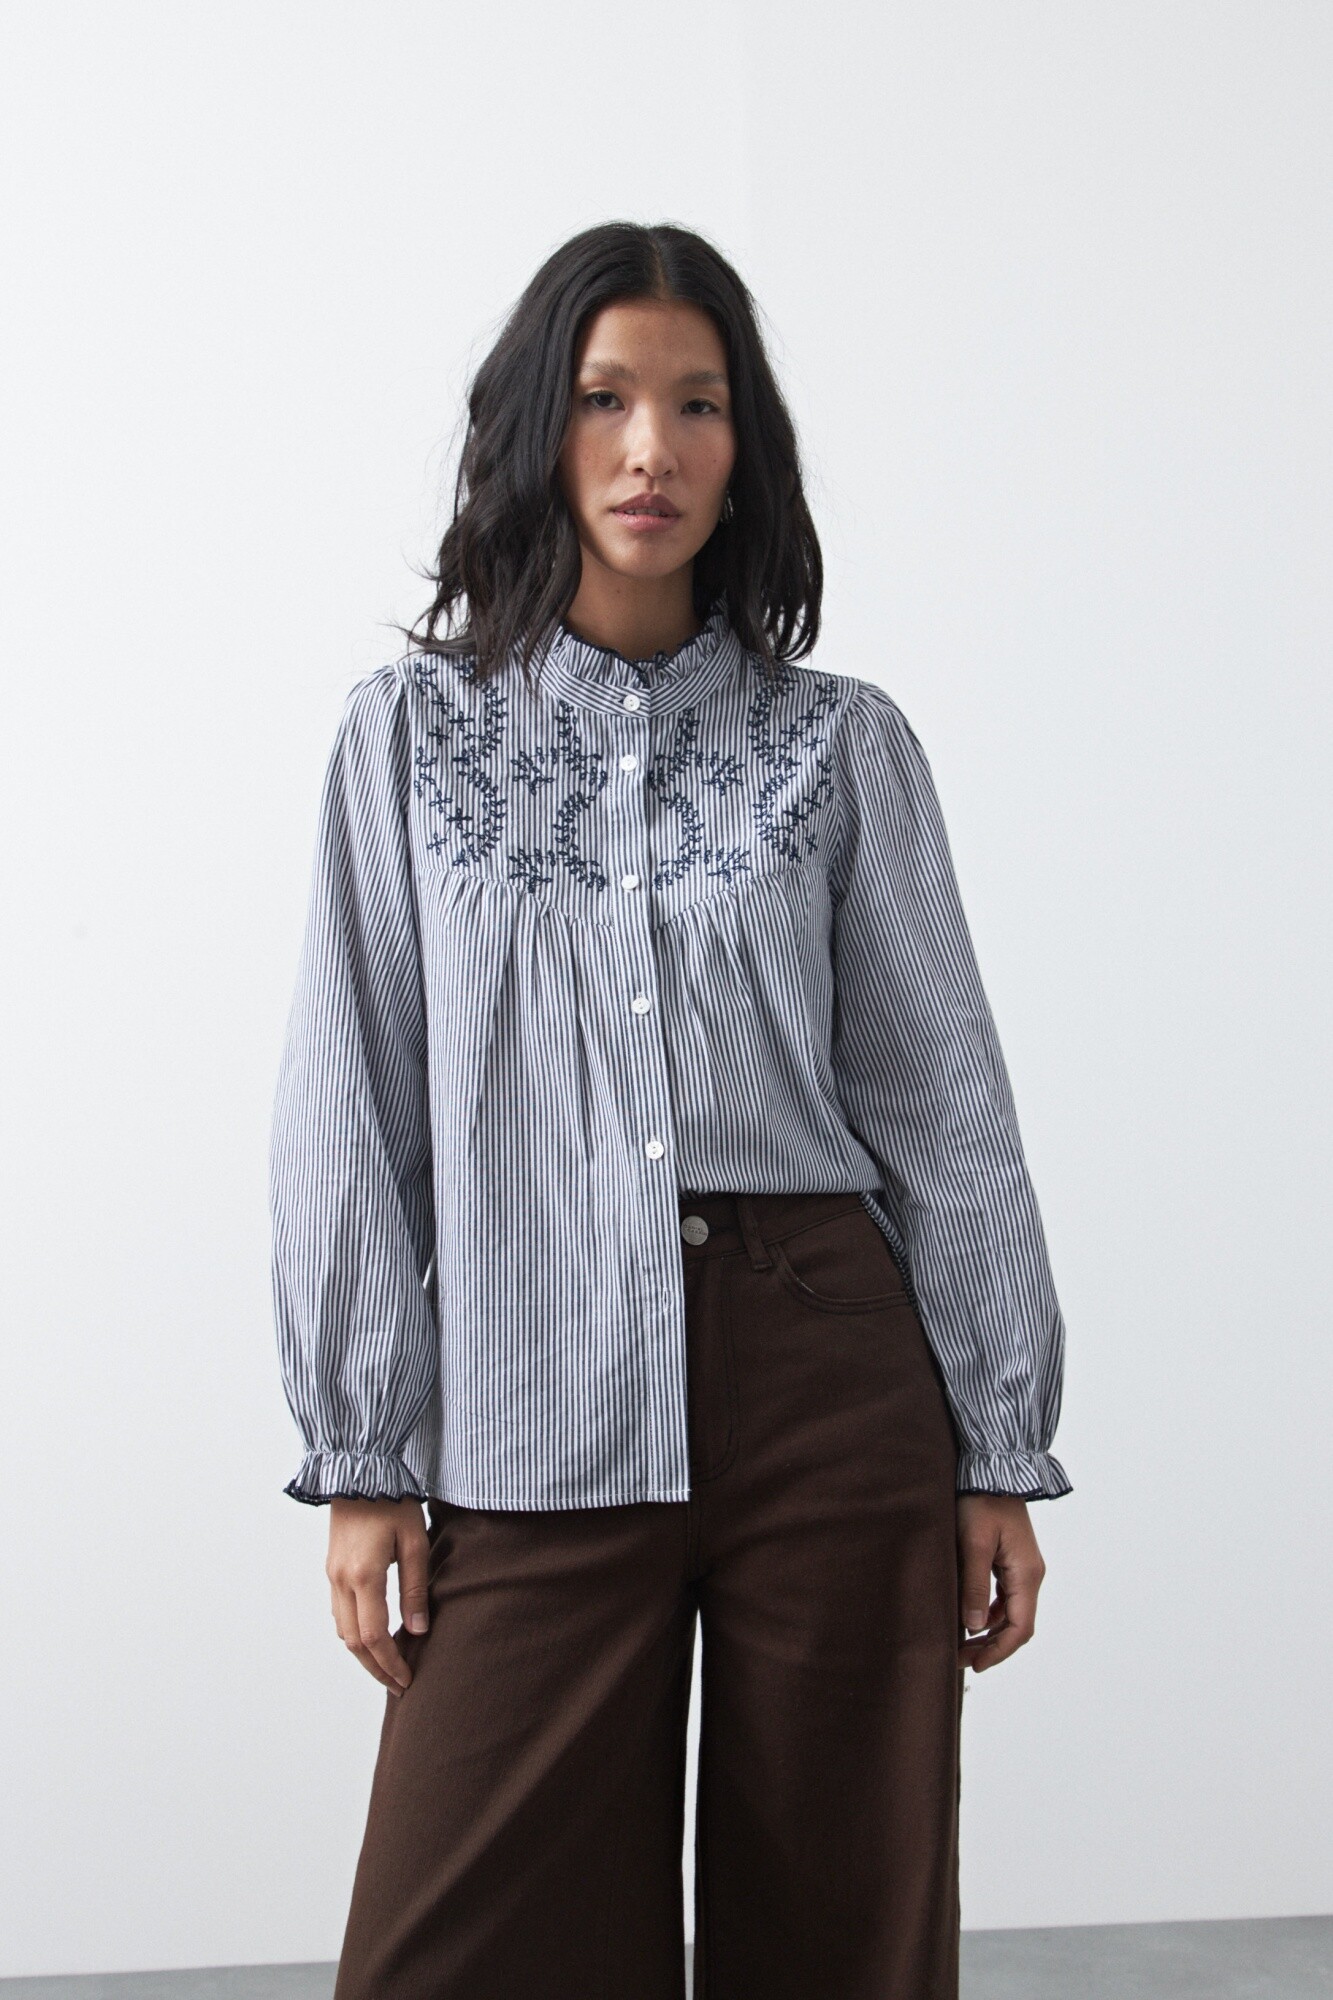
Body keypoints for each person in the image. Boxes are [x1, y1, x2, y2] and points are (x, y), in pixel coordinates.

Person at [269, 219, 1072, 2000]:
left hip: (823, 1377)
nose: (652, 449)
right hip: (530, 1377)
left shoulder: (840, 748)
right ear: (534, 430)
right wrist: (363, 1457)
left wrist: (996, 1448)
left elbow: (942, 1113)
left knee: (839, 1936)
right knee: (449, 1952)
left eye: (697, 405)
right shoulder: (408, 740)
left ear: (743, 443)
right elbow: (350, 1107)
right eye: (605, 398)